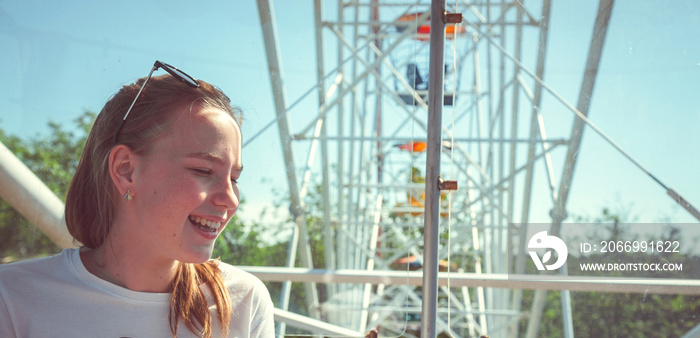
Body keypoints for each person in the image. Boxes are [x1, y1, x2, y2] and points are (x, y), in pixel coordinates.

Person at [0, 61, 275, 337]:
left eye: (234, 178)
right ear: (125, 170)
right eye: (203, 171)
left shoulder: (244, 302)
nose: (230, 199)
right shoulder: (12, 298)